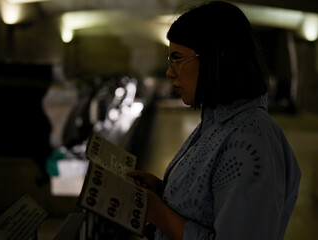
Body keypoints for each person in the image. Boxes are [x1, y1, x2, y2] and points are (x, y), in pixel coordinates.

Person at [127, 1, 301, 240]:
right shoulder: (217, 122)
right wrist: (162, 190)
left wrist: (159, 213)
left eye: (177, 59)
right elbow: (209, 202)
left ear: (218, 57)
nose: (170, 72)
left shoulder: (251, 141)